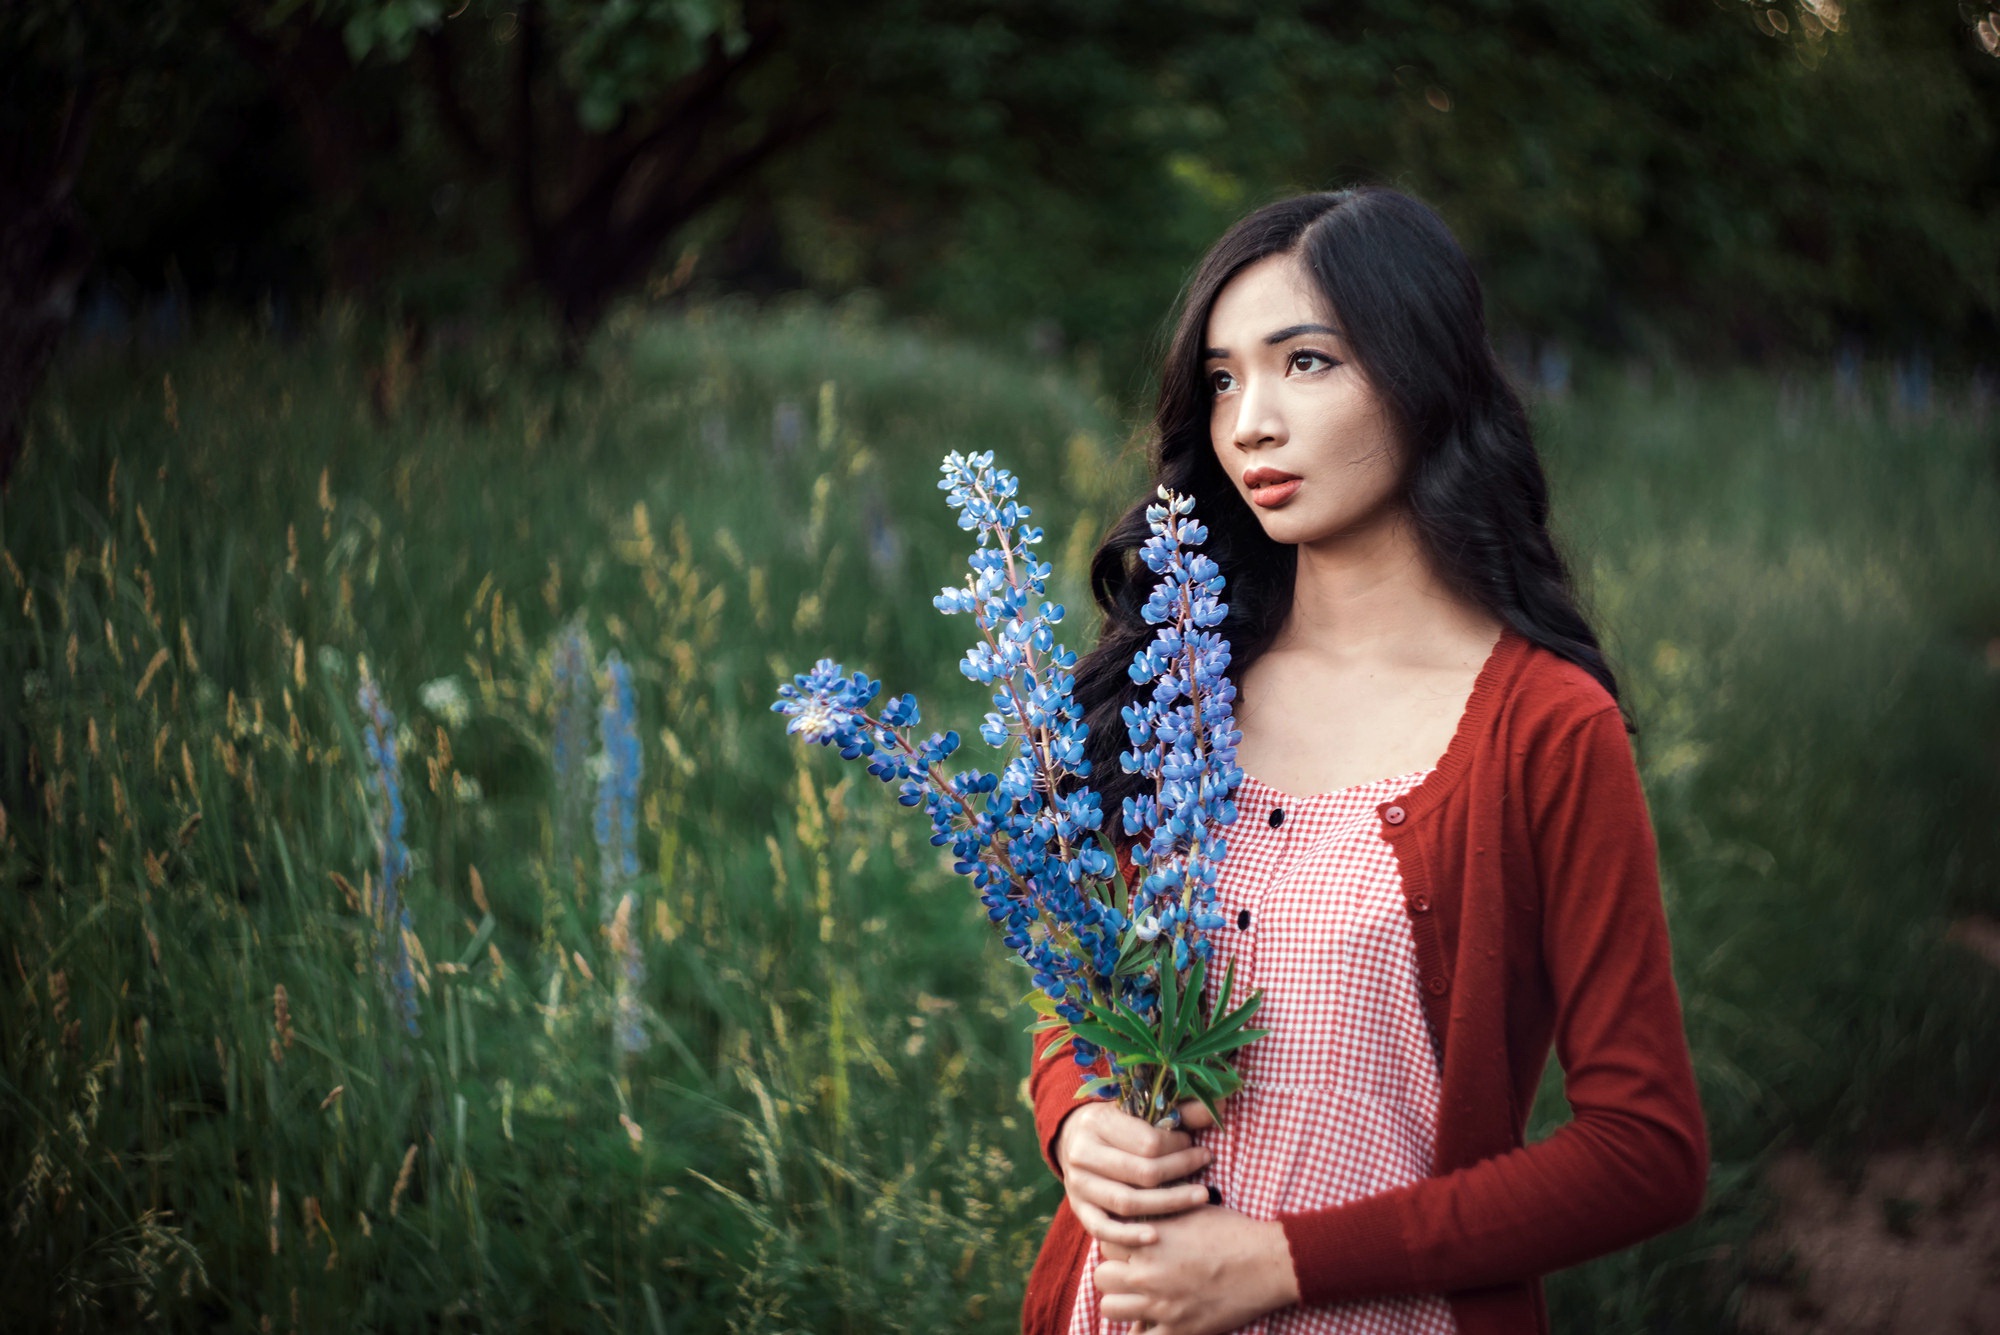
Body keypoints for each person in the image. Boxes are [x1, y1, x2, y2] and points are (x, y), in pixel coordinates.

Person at [1021, 188, 1709, 1335]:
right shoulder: (1183, 685)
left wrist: (1279, 1265)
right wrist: (1074, 1123)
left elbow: (1644, 1151)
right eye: (1224, 379)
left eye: (1305, 363)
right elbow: (1089, 995)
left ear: (1419, 370)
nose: (1249, 424)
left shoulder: (1541, 727)